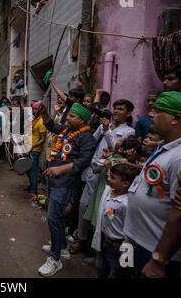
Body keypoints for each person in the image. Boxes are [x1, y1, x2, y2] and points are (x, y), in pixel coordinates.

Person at [124, 91, 181, 278]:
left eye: (158, 111)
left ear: (175, 118)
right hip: (138, 242)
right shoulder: (167, 146)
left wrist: (158, 261)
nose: (151, 114)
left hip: (157, 253)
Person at [38, 102, 96, 276]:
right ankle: (62, 248)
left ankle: (55, 260)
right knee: (58, 218)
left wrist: (60, 169)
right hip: (54, 180)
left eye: (72, 116)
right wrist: (44, 113)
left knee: (54, 218)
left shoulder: (87, 137)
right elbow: (52, 125)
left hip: (66, 183)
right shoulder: (68, 130)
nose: (68, 118)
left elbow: (83, 162)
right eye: (68, 115)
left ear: (83, 120)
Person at [73, 99, 135, 255]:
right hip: (94, 169)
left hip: (109, 175)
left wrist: (107, 131)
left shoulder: (128, 132)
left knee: (100, 211)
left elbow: (117, 148)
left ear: (128, 113)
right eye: (115, 108)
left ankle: (95, 248)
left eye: (121, 109)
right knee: (83, 205)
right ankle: (81, 239)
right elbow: (91, 142)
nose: (116, 111)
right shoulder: (102, 126)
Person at [91, 163, 139, 278]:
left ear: (126, 183)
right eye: (109, 175)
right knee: (101, 270)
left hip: (119, 248)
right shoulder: (109, 191)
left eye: (112, 177)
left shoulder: (127, 204)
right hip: (105, 241)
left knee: (118, 274)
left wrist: (127, 254)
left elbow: (131, 229)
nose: (108, 178)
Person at [25, 101, 46, 200]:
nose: (34, 110)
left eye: (36, 109)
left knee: (33, 171)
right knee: (28, 170)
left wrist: (33, 146)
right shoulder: (35, 120)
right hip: (29, 148)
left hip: (35, 150)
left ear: (40, 110)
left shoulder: (41, 121)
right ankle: (31, 187)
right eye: (33, 108)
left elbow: (43, 139)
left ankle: (33, 191)